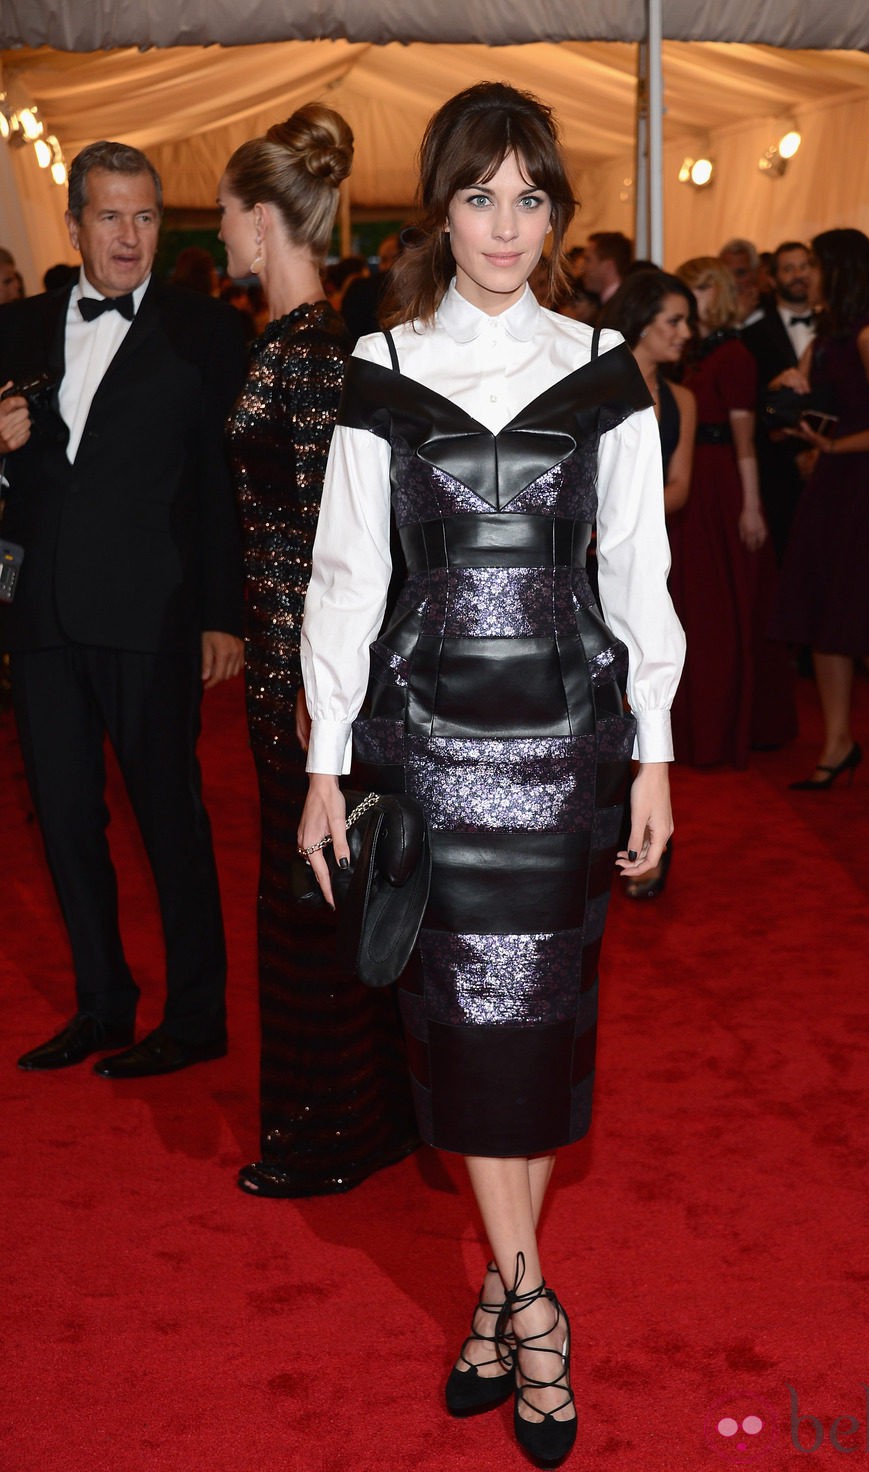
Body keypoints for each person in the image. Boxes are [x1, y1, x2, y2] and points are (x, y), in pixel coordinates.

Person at [297, 81, 684, 1464]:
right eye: (480, 196)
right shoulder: (381, 367)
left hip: (571, 747)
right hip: (431, 758)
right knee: (461, 1040)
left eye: (531, 197)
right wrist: (324, 764)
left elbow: (640, 574)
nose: (506, 225)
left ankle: (498, 1304)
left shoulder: (606, 368)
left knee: (533, 1041)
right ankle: (534, 1312)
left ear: (558, 214)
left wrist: (656, 755)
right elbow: (345, 582)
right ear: (441, 208)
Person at [0, 141, 246, 1076]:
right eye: (110, 216)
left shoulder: (206, 331)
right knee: (63, 821)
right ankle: (102, 1003)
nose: (130, 235)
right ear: (73, 227)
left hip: (155, 617)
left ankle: (195, 1018)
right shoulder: (13, 328)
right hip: (41, 615)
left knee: (169, 821)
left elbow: (224, 486)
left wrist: (225, 613)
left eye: (145, 217)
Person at [219, 103, 418, 1197]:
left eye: (227, 218)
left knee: (312, 892)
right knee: (310, 885)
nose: (223, 237)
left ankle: (335, 1130)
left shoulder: (310, 352)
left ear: (259, 219)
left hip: (299, 672)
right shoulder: (301, 342)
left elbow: (333, 543)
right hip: (283, 662)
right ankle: (355, 1115)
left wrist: (313, 687)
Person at [771, 228, 869, 790]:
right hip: (833, 490)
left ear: (837, 269)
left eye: (814, 263)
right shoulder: (832, 337)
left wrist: (834, 447)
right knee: (824, 619)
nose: (805, 272)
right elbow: (823, 402)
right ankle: (838, 741)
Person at [671, 256, 795, 767]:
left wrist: (751, 506)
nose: (691, 297)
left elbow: (746, 442)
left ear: (718, 292)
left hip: (721, 484)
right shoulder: (691, 354)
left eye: (700, 288)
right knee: (691, 609)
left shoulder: (736, 355)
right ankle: (689, 729)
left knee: (719, 613)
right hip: (690, 482)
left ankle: (721, 732)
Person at [602, 268, 696, 900]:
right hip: (592, 570)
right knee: (606, 706)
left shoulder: (684, 401)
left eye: (689, 321)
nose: (686, 334)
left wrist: (622, 518)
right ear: (640, 321)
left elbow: (681, 488)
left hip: (660, 555)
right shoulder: (599, 386)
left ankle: (650, 839)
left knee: (654, 690)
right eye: (674, 321)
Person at [741, 240, 817, 562]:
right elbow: (747, 402)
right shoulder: (753, 334)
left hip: (834, 454)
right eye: (788, 269)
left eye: (804, 266)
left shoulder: (836, 326)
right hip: (779, 465)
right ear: (772, 279)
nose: (798, 275)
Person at [719, 237, 763, 327]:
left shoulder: (774, 310)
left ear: (755, 274)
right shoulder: (713, 313)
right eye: (727, 274)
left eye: (740, 273)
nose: (733, 281)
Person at [581, 229, 631, 306]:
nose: (582, 268)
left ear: (609, 266)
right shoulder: (619, 301)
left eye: (588, 260)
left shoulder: (618, 307)